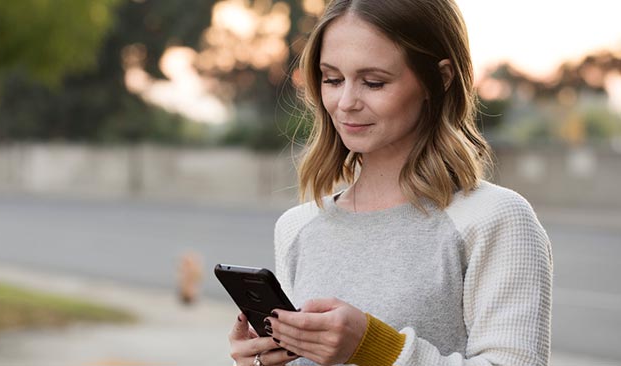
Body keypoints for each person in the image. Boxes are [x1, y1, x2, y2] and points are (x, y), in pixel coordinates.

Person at [228, 0, 553, 365]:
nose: (346, 102)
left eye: (373, 82)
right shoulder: (297, 227)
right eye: (332, 79)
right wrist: (258, 361)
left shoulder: (494, 219)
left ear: (440, 79)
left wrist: (372, 346)